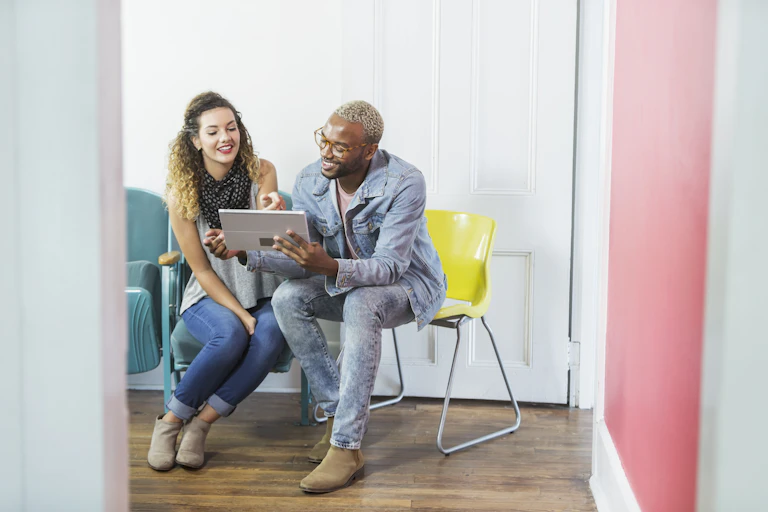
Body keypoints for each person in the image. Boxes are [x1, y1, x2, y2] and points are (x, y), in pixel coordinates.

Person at [206, 100, 446, 492]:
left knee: (362, 302)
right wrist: (246, 252)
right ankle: (338, 417)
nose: (325, 151)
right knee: (287, 298)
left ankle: (347, 445)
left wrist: (331, 267)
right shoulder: (310, 181)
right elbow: (305, 263)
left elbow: (389, 268)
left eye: (339, 146)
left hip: (410, 286)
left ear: (369, 151)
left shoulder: (404, 182)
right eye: (323, 138)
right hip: (349, 282)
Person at [146, 91, 287, 471]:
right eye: (213, 131)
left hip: (265, 289)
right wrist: (241, 314)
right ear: (195, 141)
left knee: (271, 335)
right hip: (211, 294)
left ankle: (200, 426)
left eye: (232, 127)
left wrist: (273, 210)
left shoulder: (261, 170)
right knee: (232, 335)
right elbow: (203, 270)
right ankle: (170, 422)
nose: (226, 137)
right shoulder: (182, 195)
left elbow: (270, 236)